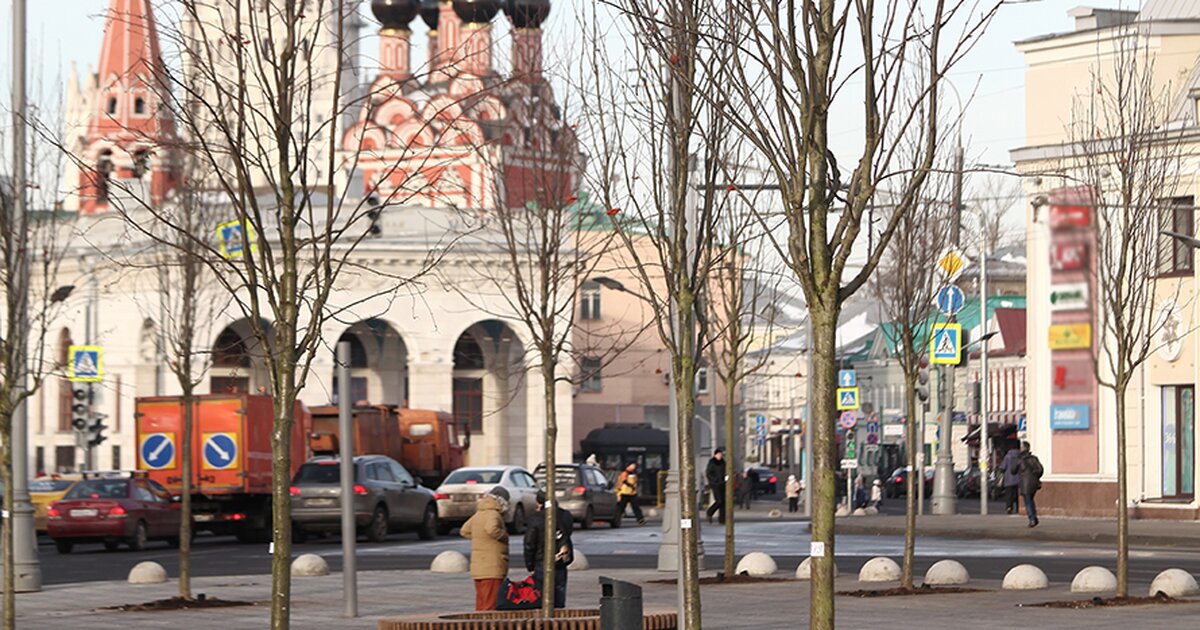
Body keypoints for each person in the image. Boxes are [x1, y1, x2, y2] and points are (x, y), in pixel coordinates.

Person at [460, 486, 510, 610]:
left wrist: (479, 538)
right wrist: (503, 535)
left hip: (479, 568)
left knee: (481, 603)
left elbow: (464, 531)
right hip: (492, 567)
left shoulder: (479, 514)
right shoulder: (494, 514)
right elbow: (491, 529)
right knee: (490, 605)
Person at [524, 490, 574, 608]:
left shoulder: (535, 518)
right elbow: (568, 533)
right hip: (561, 561)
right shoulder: (565, 515)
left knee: (542, 597)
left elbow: (529, 544)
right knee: (559, 596)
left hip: (542, 561)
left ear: (539, 503)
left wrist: (530, 565)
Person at [1016, 441, 1044, 528]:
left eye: (1021, 447)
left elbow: (1013, 470)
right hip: (1034, 483)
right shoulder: (1034, 458)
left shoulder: (1020, 459)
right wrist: (1036, 477)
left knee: (1028, 502)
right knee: (1031, 500)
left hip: (1025, 484)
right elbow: (1040, 469)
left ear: (1023, 449)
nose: (1020, 449)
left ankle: (1032, 519)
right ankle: (1034, 518)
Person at [705, 448, 727, 524]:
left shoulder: (723, 462)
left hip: (723, 484)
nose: (720, 456)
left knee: (723, 502)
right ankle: (710, 512)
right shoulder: (712, 463)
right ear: (715, 455)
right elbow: (708, 473)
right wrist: (715, 480)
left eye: (721, 454)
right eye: (719, 454)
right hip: (715, 485)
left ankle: (722, 519)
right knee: (719, 500)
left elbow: (726, 472)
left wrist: (726, 479)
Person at [1000, 445, 1021, 515]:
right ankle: (1018, 508)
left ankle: (1009, 507)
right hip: (1018, 479)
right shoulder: (1020, 456)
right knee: (1018, 494)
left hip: (1008, 479)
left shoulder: (1007, 456)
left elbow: (1003, 467)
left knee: (1009, 495)